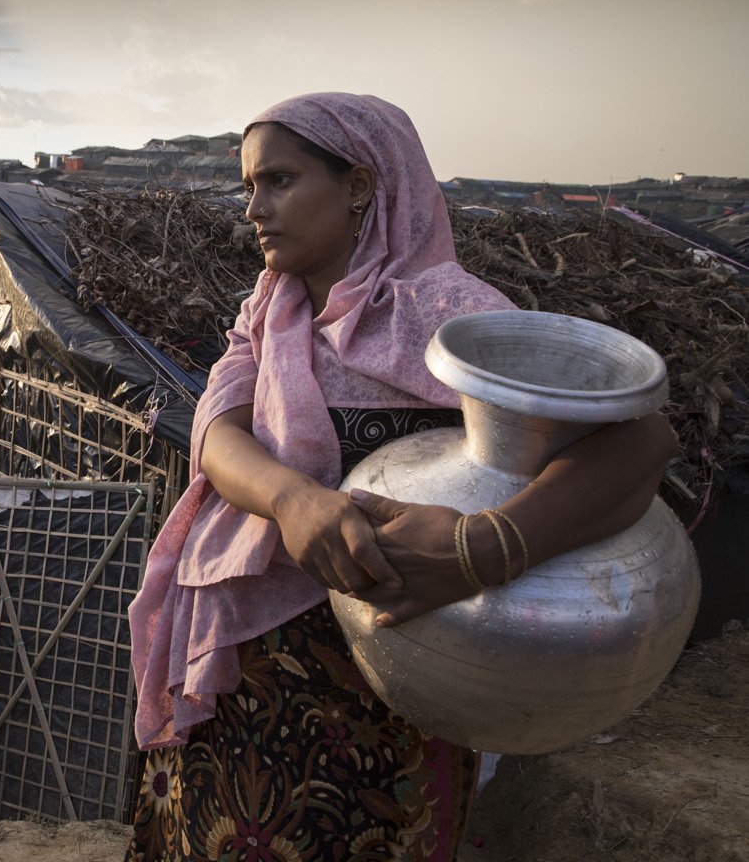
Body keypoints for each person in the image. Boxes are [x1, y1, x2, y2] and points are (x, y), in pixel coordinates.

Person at [125, 93, 675, 861]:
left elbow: (637, 438)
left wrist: (484, 547)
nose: (254, 208)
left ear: (358, 184)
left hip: (399, 672)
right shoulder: (270, 311)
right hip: (251, 662)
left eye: (279, 181)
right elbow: (219, 431)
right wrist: (292, 500)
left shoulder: (446, 315)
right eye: (249, 185)